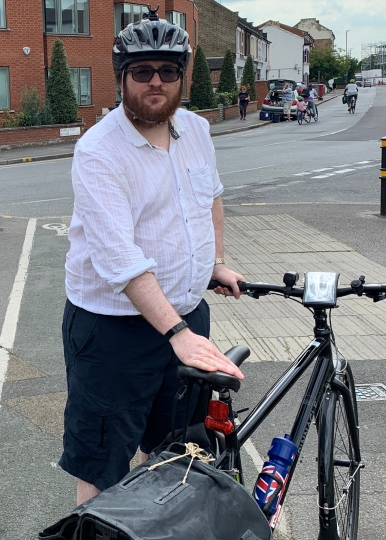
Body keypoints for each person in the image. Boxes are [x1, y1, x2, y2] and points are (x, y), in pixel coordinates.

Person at [60, 7, 245, 507]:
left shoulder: (197, 131)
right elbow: (120, 258)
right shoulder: (99, 150)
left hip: (184, 320)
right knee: (103, 467)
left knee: (181, 455)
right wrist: (178, 335)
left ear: (182, 76)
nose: (156, 81)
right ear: (123, 79)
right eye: (143, 72)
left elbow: (210, 200)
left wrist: (214, 265)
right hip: (111, 333)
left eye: (168, 70)